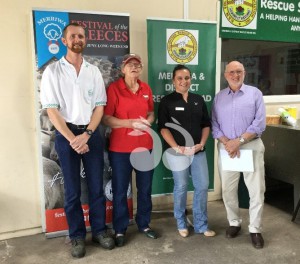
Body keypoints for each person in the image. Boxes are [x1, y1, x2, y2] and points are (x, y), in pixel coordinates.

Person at [40, 23, 115, 258]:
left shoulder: (93, 71)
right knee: (72, 191)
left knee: (96, 188)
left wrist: (88, 135)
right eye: (73, 36)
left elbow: (100, 108)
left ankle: (100, 231)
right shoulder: (53, 72)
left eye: (81, 36)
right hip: (66, 135)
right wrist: (73, 139)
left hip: (91, 133)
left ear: (85, 40)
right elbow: (52, 111)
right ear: (64, 41)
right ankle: (76, 236)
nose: (77, 39)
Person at [102, 53, 157, 247]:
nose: (134, 67)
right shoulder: (114, 89)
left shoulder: (146, 88)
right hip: (120, 149)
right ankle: (120, 229)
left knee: (145, 189)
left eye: (137, 64)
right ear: (123, 69)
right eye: (130, 64)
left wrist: (147, 122)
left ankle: (144, 224)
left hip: (145, 147)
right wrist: (129, 123)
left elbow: (151, 113)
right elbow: (106, 118)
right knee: (120, 191)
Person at [211, 60, 266, 249]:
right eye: (232, 72)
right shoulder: (219, 98)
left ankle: (255, 228)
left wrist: (239, 142)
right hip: (227, 149)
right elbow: (214, 125)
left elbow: (259, 124)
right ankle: (234, 222)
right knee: (228, 189)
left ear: (244, 74)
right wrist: (227, 142)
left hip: (250, 146)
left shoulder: (255, 94)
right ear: (225, 75)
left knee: (256, 190)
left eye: (239, 72)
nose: (236, 75)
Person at [157, 64, 216, 238]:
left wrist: (202, 143)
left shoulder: (198, 99)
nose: (184, 81)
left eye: (187, 78)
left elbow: (206, 124)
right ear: (173, 81)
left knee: (202, 186)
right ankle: (181, 222)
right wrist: (176, 147)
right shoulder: (167, 101)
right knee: (181, 186)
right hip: (177, 153)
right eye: (180, 78)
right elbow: (163, 128)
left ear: (191, 79)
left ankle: (201, 224)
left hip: (198, 152)